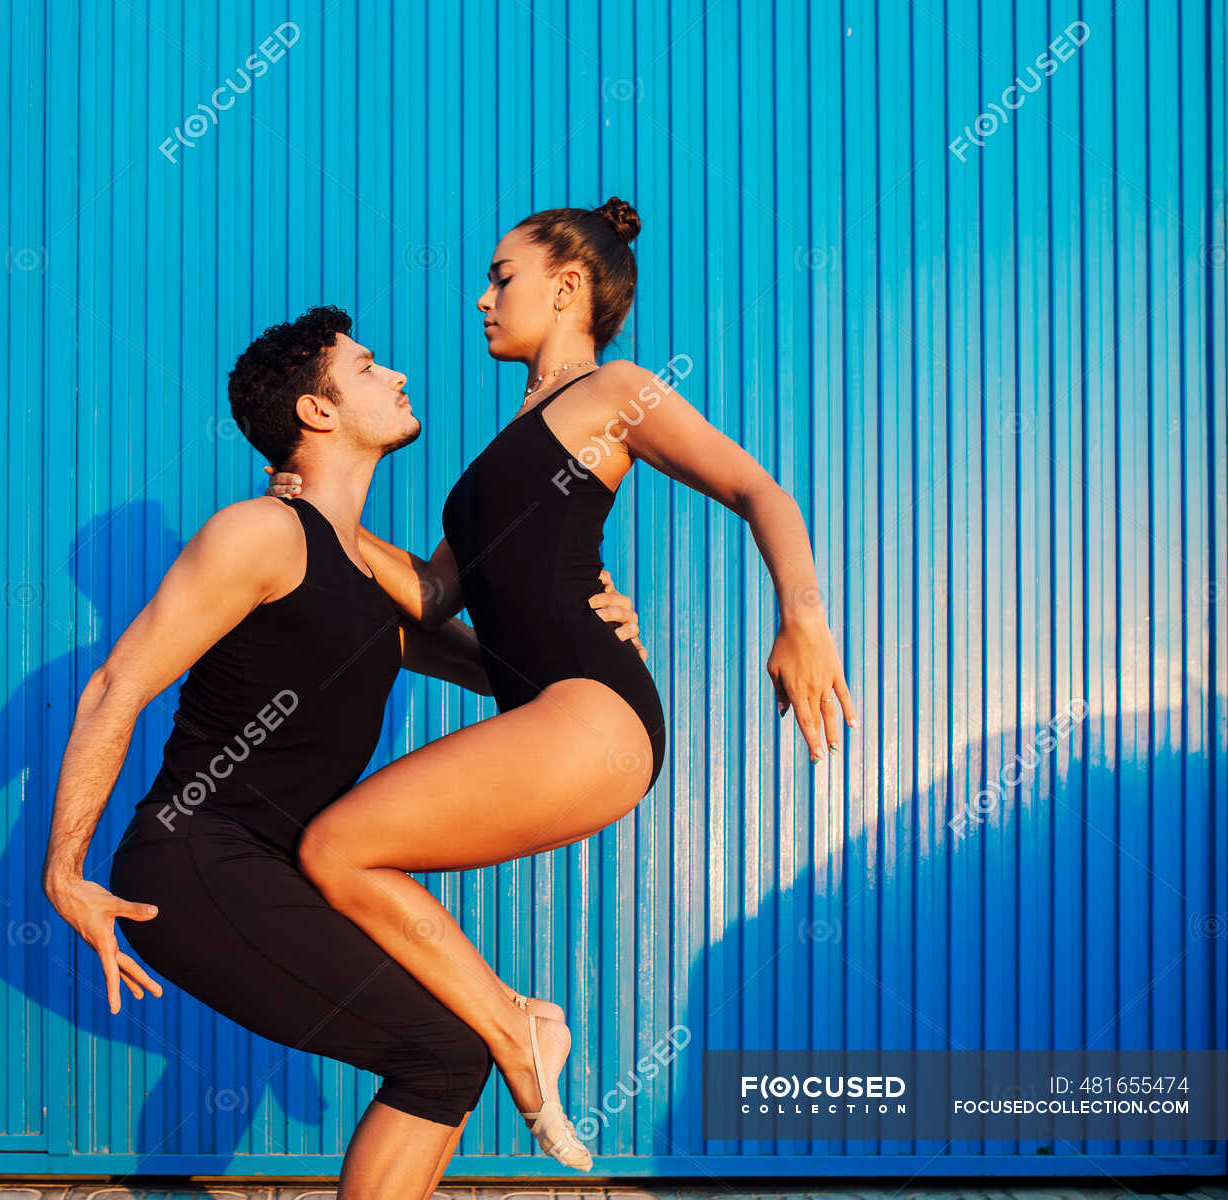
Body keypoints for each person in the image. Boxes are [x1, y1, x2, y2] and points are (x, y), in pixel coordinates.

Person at [263, 197, 858, 1171]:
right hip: (558, 710)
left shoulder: (612, 391)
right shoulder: (503, 450)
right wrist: (312, 518)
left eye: (503, 278)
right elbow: (427, 591)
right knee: (338, 853)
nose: (483, 299)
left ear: (569, 285)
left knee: (337, 846)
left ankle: (515, 1027)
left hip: (597, 706)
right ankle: (507, 1027)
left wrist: (804, 620)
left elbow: (760, 491)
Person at [42, 306, 645, 1199]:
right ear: (318, 413)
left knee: (449, 1057)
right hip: (195, 860)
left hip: (276, 870)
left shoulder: (375, 579)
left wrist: (597, 634)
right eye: (368, 367)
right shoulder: (259, 535)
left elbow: (513, 675)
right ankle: (520, 1024)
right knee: (441, 1052)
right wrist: (64, 871)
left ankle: (518, 1024)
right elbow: (115, 687)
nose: (397, 376)